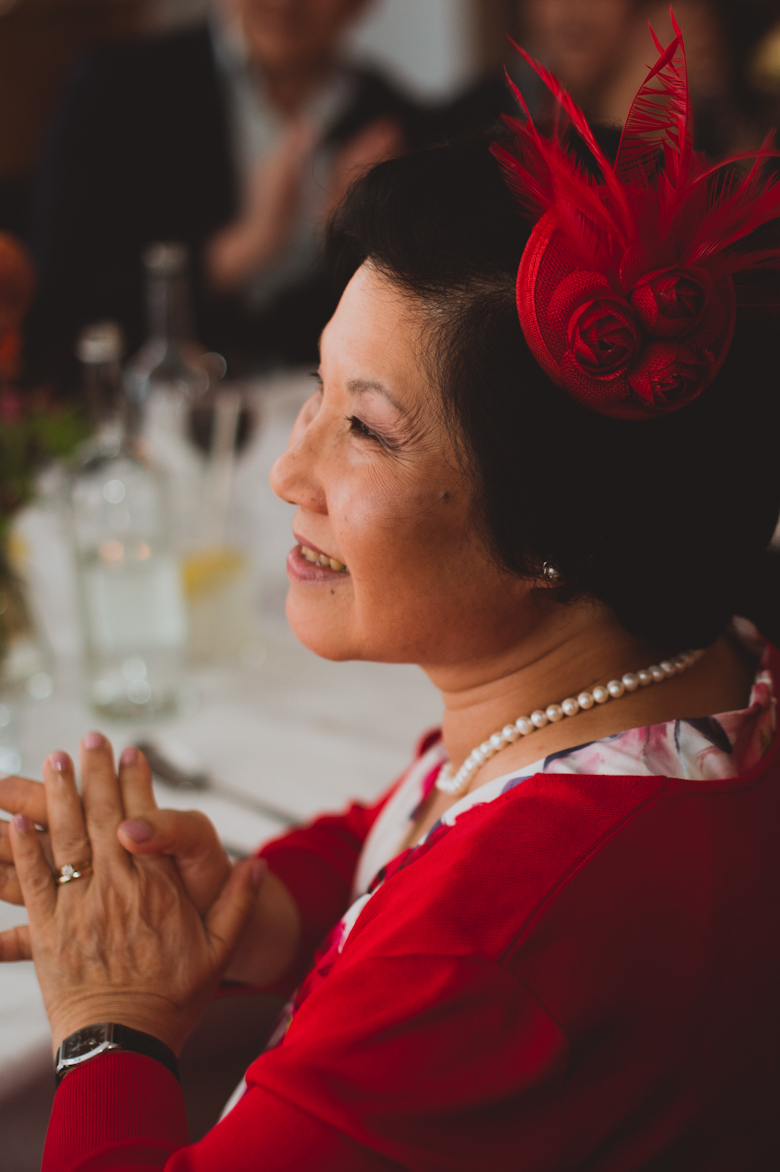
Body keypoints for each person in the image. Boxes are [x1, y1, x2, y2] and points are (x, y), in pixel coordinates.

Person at [2, 28, 780, 1170]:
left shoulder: (483, 956)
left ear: (554, 528)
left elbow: (481, 927)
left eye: (365, 428)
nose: (288, 470)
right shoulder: (698, 671)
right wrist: (266, 905)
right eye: (316, 388)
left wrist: (111, 1021)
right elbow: (438, 804)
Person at [27, 0, 427, 385]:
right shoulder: (115, 89)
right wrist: (244, 247)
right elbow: (63, 303)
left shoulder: (394, 125)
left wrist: (354, 236)